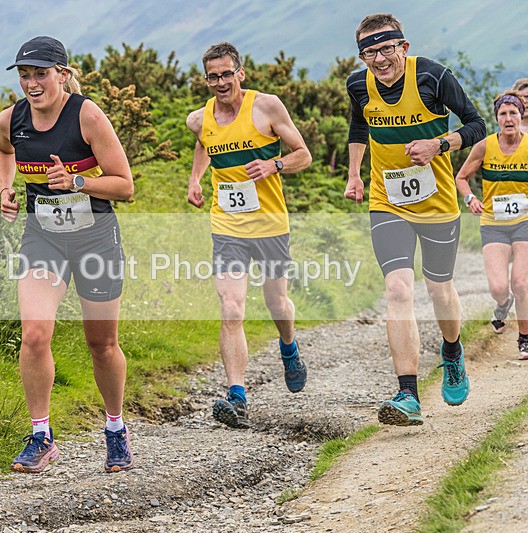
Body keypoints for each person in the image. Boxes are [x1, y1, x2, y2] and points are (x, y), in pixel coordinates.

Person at [0, 36, 135, 472]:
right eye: (24, 75)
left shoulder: (87, 115)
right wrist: (5, 189)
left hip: (95, 237)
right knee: (35, 334)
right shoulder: (10, 119)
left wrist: (77, 182)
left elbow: (125, 185)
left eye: (41, 74)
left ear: (63, 74)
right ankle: (41, 436)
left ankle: (115, 429)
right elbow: (3, 152)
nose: (32, 84)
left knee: (102, 343)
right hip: (44, 237)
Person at [344, 13, 486, 426]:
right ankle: (407, 393)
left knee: (440, 289)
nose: (379, 59)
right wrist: (355, 173)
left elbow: (477, 124)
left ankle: (453, 352)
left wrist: (440, 144)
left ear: (403, 47)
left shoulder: (435, 77)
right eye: (369, 52)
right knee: (398, 289)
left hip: (437, 201)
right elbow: (359, 123)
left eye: (387, 49)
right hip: (386, 199)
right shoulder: (358, 84)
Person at [186, 42, 312, 429]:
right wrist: (195, 178)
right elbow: (205, 143)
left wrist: (274, 164)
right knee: (231, 307)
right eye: (213, 76)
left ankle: (288, 348)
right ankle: (237, 396)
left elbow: (303, 155)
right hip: (227, 225)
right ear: (205, 80)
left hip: (270, 223)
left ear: (240, 73)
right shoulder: (198, 118)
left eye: (227, 74)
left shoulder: (267, 106)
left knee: (277, 303)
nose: (221, 82)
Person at [456, 92, 528, 359]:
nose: (508, 119)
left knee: (521, 283)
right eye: (503, 114)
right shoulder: (485, 146)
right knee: (499, 287)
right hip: (494, 223)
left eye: (513, 113)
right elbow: (461, 177)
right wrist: (470, 198)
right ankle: (502, 304)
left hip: (524, 223)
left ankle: (524, 337)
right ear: (496, 118)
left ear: (521, 115)